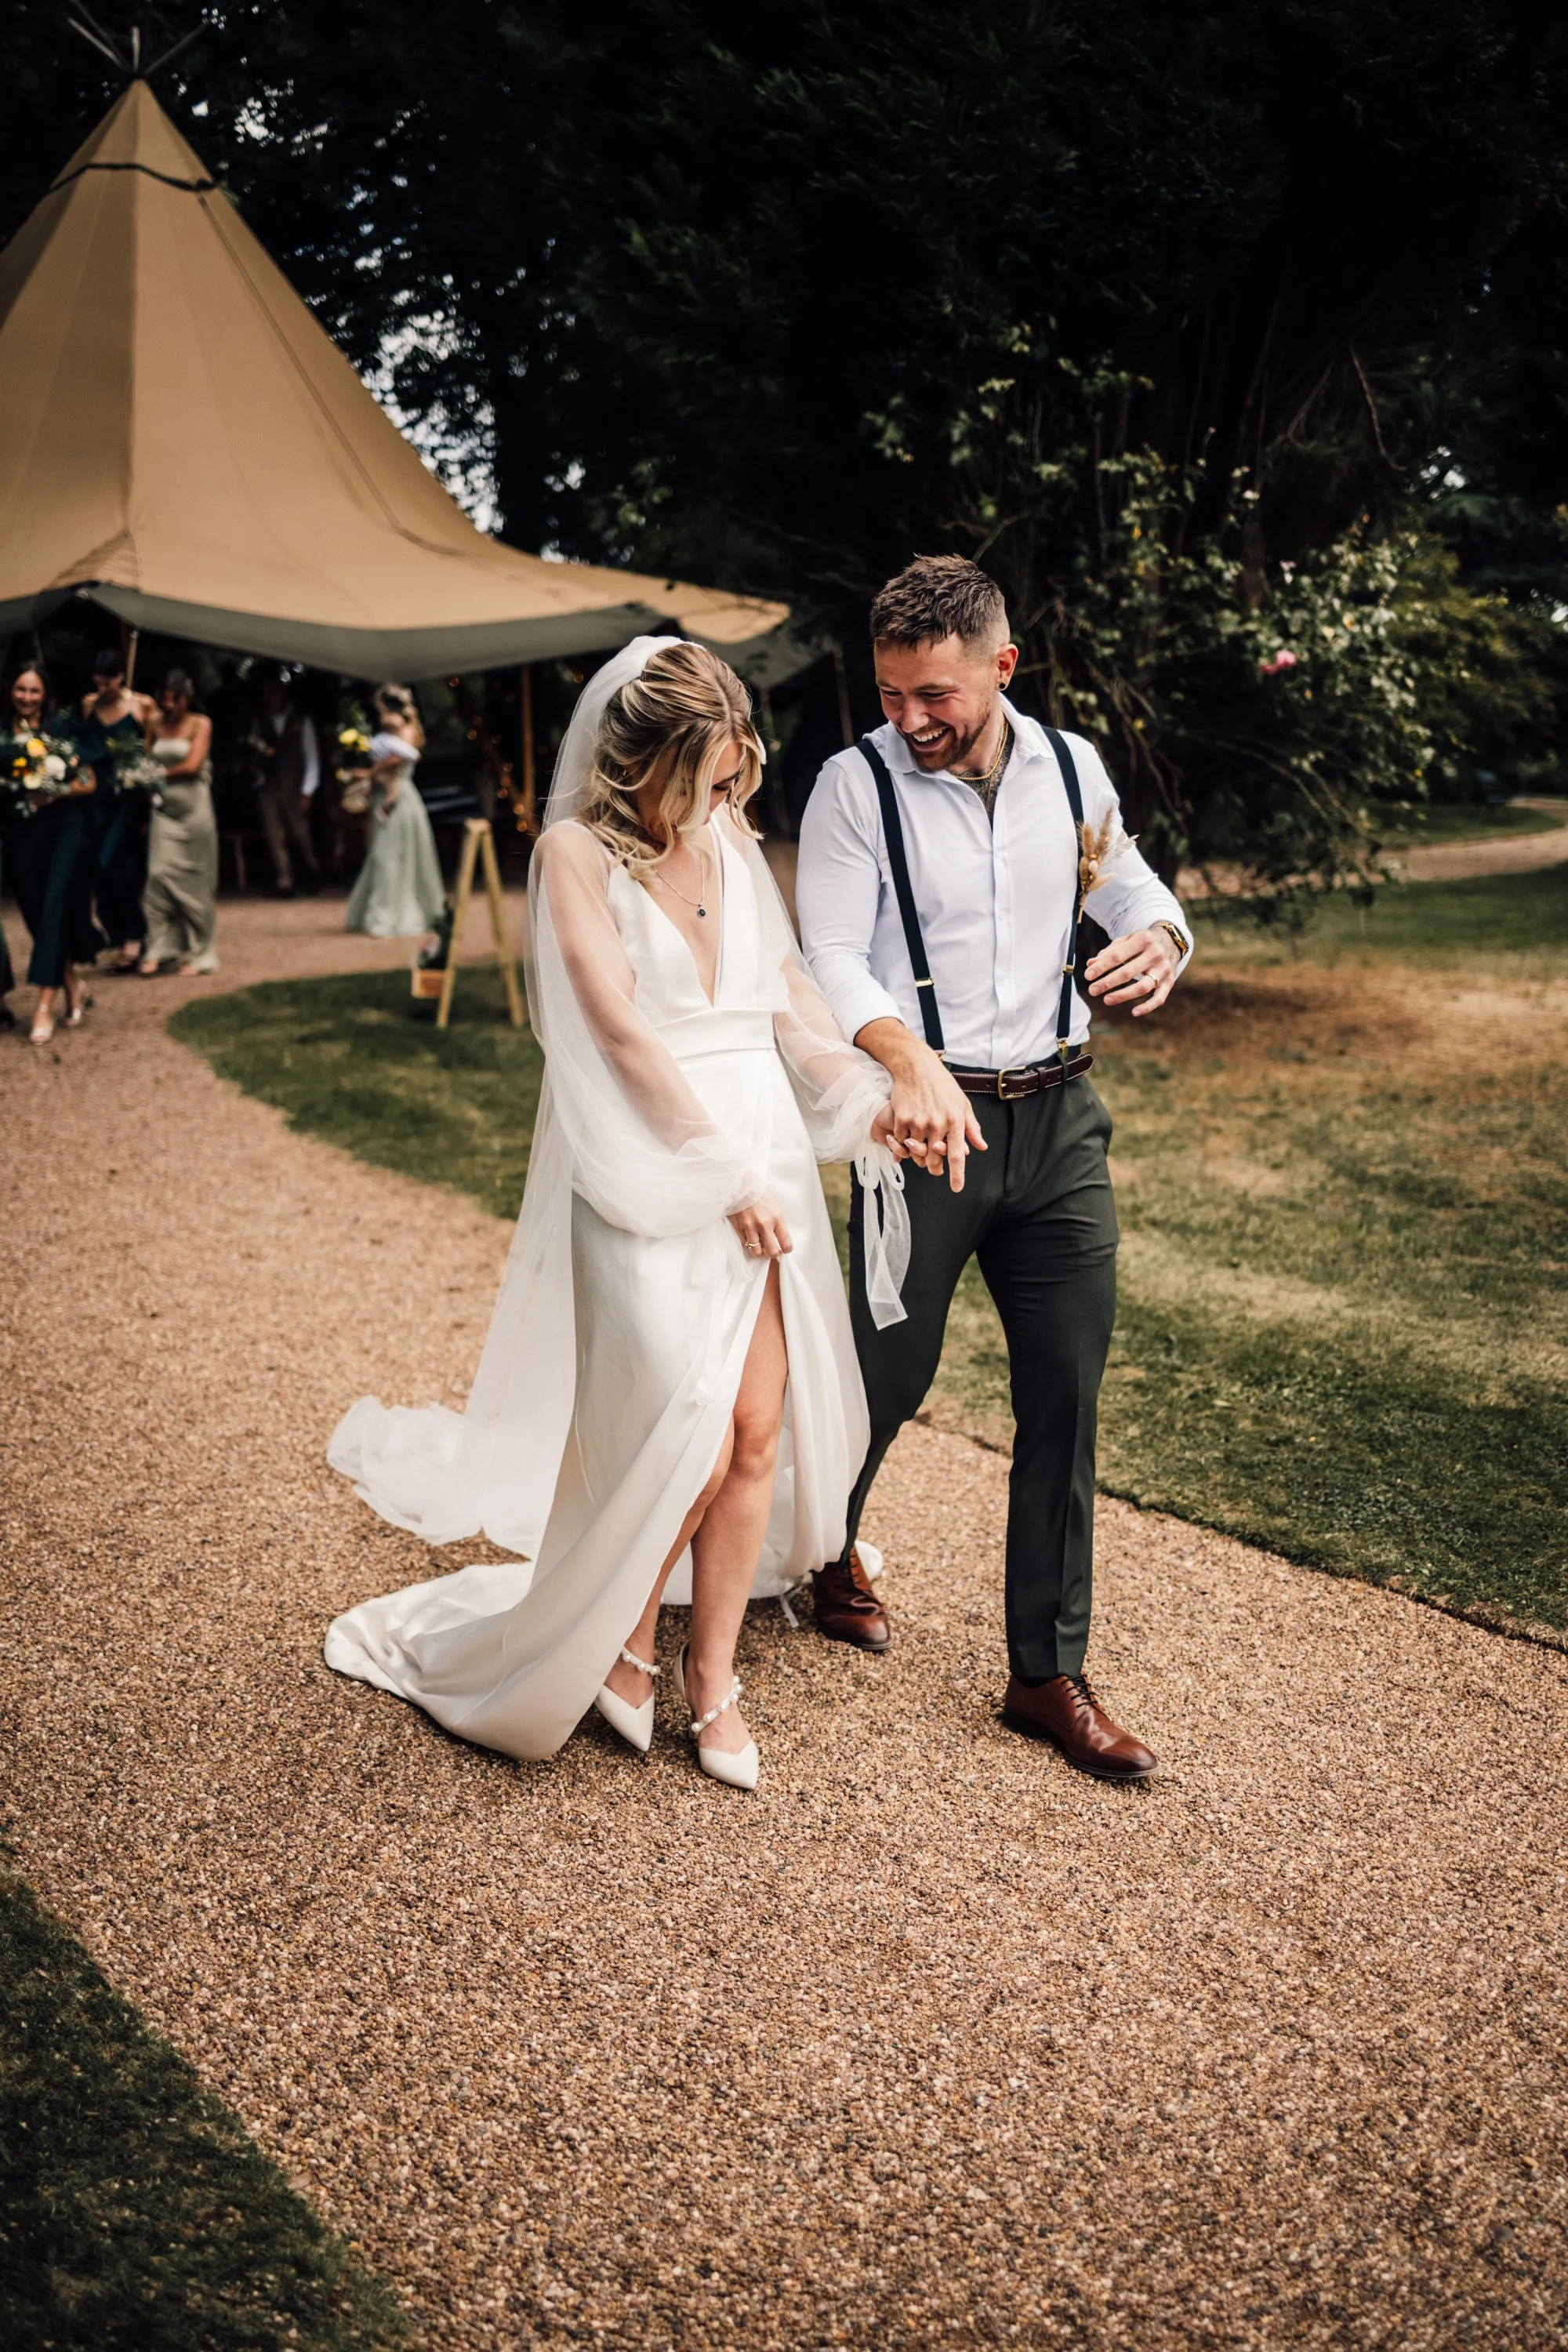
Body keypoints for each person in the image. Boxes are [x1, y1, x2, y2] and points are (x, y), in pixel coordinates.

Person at [324, 638, 906, 1790]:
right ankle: (618, 1643)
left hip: (766, 1160)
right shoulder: (573, 854)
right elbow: (620, 1032)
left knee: (750, 1432)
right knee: (664, 1428)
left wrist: (854, 1088)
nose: (719, 798)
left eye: (732, 771)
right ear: (635, 758)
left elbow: (784, 989)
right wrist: (721, 1174)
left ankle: (711, 1676)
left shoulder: (729, 831)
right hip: (656, 1163)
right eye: (698, 776)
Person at [796, 556, 1193, 1783]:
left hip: (1062, 1125)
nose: (910, 719)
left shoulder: (1074, 769)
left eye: (937, 696)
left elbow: (1130, 889)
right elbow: (827, 953)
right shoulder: (853, 786)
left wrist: (1166, 937)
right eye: (891, 692)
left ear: (1001, 669)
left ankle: (1047, 1675)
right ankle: (822, 1549)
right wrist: (903, 1062)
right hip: (920, 1128)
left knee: (1065, 1400)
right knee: (884, 1376)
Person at [2, 663, 100, 1045]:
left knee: (54, 906)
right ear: (11, 690)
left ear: (46, 695)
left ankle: (45, 1005)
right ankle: (73, 983)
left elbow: (89, 782)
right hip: (19, 831)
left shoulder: (63, 729)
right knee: (32, 909)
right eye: (21, 690)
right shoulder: (2, 732)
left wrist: (55, 792)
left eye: (34, 691)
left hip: (63, 828)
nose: (26, 698)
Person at [343, 684, 447, 941]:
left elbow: (400, 759)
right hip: (384, 795)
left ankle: (388, 915)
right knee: (383, 854)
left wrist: (370, 772)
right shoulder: (389, 731)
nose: (381, 717)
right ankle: (379, 911)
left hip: (400, 799)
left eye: (382, 710)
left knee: (390, 855)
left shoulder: (406, 729)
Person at [79, 647, 155, 971]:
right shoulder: (87, 704)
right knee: (100, 868)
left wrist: (147, 793)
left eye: (108, 683)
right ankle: (119, 934)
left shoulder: (142, 704)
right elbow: (82, 747)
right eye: (99, 683)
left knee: (114, 862)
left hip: (127, 799)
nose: (103, 689)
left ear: (120, 677)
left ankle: (135, 935)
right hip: (96, 799)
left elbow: (151, 751)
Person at [140, 670, 220, 976]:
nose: (169, 706)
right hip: (163, 810)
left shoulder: (201, 723)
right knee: (157, 874)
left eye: (176, 700)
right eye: (165, 700)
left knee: (197, 883)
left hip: (194, 811)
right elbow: (147, 759)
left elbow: (192, 765)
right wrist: (141, 775)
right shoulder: (154, 723)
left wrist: (156, 775)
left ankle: (202, 953)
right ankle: (161, 949)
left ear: (187, 699)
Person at [251, 668, 321, 895]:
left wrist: (308, 790)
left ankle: (313, 870)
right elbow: (254, 754)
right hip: (269, 787)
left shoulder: (302, 721)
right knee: (274, 834)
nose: (270, 698)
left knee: (301, 833)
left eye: (274, 693)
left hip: (294, 787)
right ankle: (284, 878)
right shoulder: (260, 723)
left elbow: (311, 757)